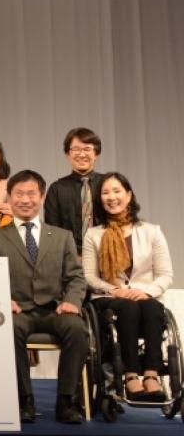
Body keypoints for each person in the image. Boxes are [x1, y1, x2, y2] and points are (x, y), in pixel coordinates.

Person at [0, 170, 87, 424]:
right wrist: (0, 299)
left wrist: (71, 300)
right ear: (9, 197)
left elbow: (75, 277)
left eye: (31, 194)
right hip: (17, 310)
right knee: (8, 328)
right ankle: (23, 400)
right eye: (19, 194)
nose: (25, 200)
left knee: (78, 329)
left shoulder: (62, 236)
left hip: (54, 310)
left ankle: (67, 401)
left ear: (41, 197)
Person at [82, 172, 173, 402]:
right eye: (105, 193)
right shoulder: (94, 234)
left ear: (129, 195)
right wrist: (116, 291)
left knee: (152, 308)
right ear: (99, 199)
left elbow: (165, 276)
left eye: (116, 191)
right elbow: (90, 277)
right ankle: (131, 375)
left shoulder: (152, 231)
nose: (111, 197)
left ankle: (152, 374)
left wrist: (145, 291)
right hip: (108, 297)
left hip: (144, 296)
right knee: (128, 308)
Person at [44, 127, 105, 254]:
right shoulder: (57, 189)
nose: (81, 154)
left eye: (87, 149)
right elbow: (52, 232)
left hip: (106, 255)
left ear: (96, 154)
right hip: (71, 260)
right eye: (76, 149)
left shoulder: (108, 185)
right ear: (67, 154)